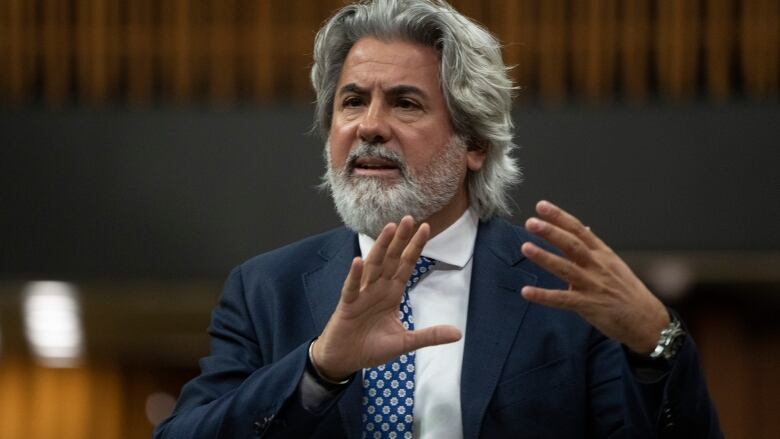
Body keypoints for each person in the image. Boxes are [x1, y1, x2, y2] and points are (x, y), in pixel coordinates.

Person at [154, 1, 722, 437]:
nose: (369, 126)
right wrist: (318, 369)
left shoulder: (561, 291)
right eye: (352, 101)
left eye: (405, 103)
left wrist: (657, 343)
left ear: (474, 141)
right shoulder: (264, 290)